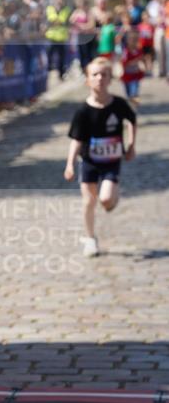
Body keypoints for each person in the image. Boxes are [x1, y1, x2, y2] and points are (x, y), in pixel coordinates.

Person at [64, 56, 136, 258]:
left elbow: (132, 120)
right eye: (94, 75)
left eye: (104, 75)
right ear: (87, 79)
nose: (99, 79)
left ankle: (112, 195)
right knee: (88, 201)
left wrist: (131, 145)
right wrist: (70, 164)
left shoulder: (119, 105)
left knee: (104, 199)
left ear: (110, 79)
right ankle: (90, 239)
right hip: (89, 161)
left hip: (111, 161)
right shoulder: (83, 112)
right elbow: (76, 140)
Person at [45, 0, 72, 79]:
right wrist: (58, 21)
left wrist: (56, 21)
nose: (59, 0)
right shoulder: (50, 8)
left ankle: (61, 75)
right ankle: (47, 75)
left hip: (62, 38)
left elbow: (63, 20)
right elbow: (50, 20)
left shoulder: (66, 9)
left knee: (61, 58)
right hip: (50, 37)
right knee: (48, 56)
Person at [121, 28, 145, 106]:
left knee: (134, 91)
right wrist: (134, 62)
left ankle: (134, 105)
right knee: (128, 93)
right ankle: (129, 103)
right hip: (127, 75)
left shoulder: (139, 50)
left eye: (135, 40)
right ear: (127, 40)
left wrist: (142, 65)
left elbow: (141, 60)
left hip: (135, 75)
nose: (133, 42)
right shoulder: (126, 51)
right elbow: (124, 62)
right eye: (131, 39)